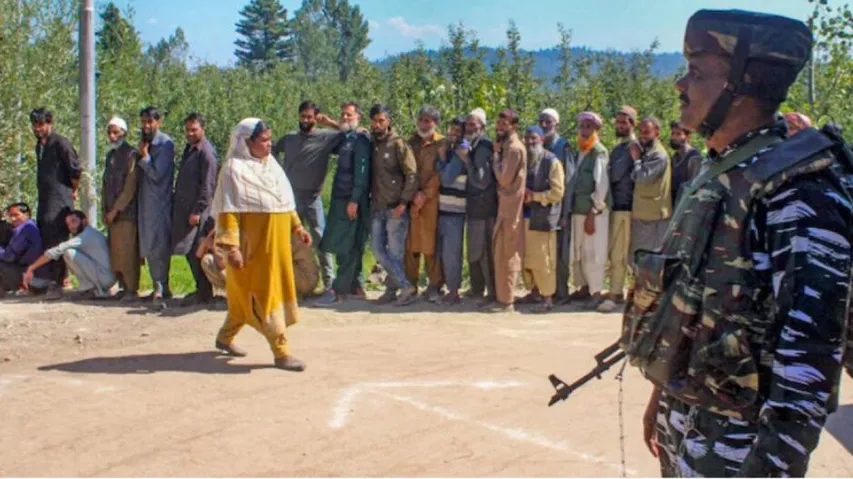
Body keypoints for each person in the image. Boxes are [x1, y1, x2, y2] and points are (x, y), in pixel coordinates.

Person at [624, 10, 853, 477]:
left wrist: (771, 467)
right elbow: (684, 300)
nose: (680, 87)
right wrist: (663, 397)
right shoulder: (724, 171)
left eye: (697, 73)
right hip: (686, 424)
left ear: (743, 86)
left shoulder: (800, 190)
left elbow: (807, 368)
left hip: (741, 447)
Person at [211, 118, 311, 372]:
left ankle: (225, 337)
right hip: (251, 251)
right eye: (263, 140)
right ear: (247, 142)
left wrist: (297, 227)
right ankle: (281, 352)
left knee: (243, 300)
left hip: (276, 249)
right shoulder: (234, 170)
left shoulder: (272, 167)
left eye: (270, 139)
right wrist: (231, 248)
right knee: (265, 298)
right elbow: (228, 211)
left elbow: (283, 201)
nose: (269, 145)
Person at [272, 100, 345, 293]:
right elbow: (271, 152)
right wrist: (277, 174)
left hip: (313, 198)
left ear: (316, 118)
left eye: (310, 117)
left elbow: (350, 133)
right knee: (288, 240)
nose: (305, 120)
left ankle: (329, 282)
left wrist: (329, 123)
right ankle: (289, 282)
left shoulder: (325, 137)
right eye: (303, 116)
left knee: (321, 237)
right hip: (290, 199)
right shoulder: (289, 138)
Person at [607, 115, 672, 314]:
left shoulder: (659, 155)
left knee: (649, 261)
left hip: (653, 217)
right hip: (643, 214)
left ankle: (651, 304)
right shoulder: (647, 151)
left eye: (647, 132)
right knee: (638, 259)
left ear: (657, 133)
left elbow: (642, 178)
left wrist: (635, 160)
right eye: (642, 131)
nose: (643, 136)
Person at [317, 102, 371, 306]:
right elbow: (342, 131)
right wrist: (330, 122)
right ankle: (355, 287)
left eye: (349, 115)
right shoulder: (347, 139)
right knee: (349, 244)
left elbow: (361, 173)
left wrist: (354, 200)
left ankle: (338, 291)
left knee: (346, 244)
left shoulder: (361, 140)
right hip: (343, 198)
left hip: (351, 199)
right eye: (342, 115)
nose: (344, 118)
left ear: (358, 117)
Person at [368, 104, 419, 306]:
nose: (378, 124)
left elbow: (412, 174)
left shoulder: (398, 144)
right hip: (378, 207)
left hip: (395, 208)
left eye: (381, 120)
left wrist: (404, 203)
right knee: (378, 250)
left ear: (388, 121)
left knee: (395, 254)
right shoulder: (372, 142)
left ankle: (396, 290)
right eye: (374, 121)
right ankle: (404, 286)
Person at [172, 112, 219, 306]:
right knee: (189, 251)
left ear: (203, 129)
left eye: (194, 129)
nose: (190, 133)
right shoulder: (190, 149)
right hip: (185, 209)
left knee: (197, 250)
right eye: (187, 129)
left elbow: (208, 186)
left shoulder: (206, 153)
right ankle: (201, 290)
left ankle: (205, 292)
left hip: (198, 213)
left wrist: (198, 211)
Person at [30, 107, 81, 288]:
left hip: (59, 198)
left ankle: (58, 281)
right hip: (45, 197)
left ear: (50, 123)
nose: (38, 129)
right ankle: (54, 278)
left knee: (56, 236)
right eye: (35, 125)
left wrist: (72, 191)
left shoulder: (60, 143)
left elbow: (75, 170)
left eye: (41, 124)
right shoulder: (40, 146)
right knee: (45, 231)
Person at [519, 126, 564, 313]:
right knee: (526, 259)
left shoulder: (552, 162)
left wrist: (535, 197)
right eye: (527, 138)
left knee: (543, 261)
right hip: (524, 218)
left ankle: (547, 300)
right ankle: (533, 292)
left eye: (534, 139)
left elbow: (558, 192)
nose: (530, 142)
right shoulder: (524, 160)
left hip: (543, 219)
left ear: (542, 140)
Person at [23, 210, 116, 300]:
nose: (71, 226)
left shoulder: (86, 235)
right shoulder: (91, 233)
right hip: (107, 277)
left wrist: (32, 268)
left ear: (85, 221)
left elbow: (55, 251)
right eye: (68, 224)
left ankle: (93, 290)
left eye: (74, 221)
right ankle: (96, 289)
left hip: (105, 278)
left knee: (68, 252)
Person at [569, 112, 610, 309]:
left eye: (588, 126)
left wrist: (594, 212)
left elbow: (601, 185)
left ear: (595, 129)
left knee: (594, 252)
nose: (584, 130)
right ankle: (584, 287)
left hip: (593, 212)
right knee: (579, 251)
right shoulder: (581, 151)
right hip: (578, 209)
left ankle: (596, 292)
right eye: (582, 126)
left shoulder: (598, 152)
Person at [406, 106, 446, 302]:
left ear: (435, 123)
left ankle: (434, 285)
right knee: (411, 245)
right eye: (421, 120)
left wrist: (425, 194)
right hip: (412, 200)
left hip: (432, 201)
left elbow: (440, 173)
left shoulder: (442, 144)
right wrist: (413, 195)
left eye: (428, 120)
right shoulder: (410, 142)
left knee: (431, 246)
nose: (423, 124)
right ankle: (410, 285)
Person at [488, 109, 526, 313]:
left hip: (511, 210)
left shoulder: (513, 149)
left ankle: (507, 301)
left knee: (508, 252)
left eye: (505, 124)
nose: (500, 127)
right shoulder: (508, 147)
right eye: (499, 123)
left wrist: (495, 156)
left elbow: (504, 178)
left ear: (514, 126)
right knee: (501, 252)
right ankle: (502, 298)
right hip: (505, 207)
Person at [137, 106, 175, 304]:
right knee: (149, 243)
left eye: (150, 122)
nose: (146, 126)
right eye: (143, 122)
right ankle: (157, 284)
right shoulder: (146, 142)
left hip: (159, 202)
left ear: (158, 122)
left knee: (159, 243)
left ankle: (161, 285)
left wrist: (144, 157)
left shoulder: (165, 144)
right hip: (146, 201)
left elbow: (157, 174)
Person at [460, 108, 497, 305]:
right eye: (467, 124)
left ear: (482, 127)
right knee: (474, 250)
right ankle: (476, 289)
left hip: (484, 208)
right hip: (475, 207)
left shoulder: (483, 146)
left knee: (484, 252)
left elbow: (481, 180)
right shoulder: (472, 143)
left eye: (473, 124)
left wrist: (466, 161)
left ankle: (490, 292)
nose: (469, 127)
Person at [539, 107, 576, 304]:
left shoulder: (563, 147)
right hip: (542, 208)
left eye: (548, 122)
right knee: (544, 252)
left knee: (560, 254)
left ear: (557, 125)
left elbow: (569, 183)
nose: (544, 125)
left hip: (560, 209)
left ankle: (562, 292)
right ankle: (545, 290)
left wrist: (565, 212)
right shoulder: (539, 144)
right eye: (541, 122)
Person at [101, 116, 141, 301]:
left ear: (124, 133)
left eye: (116, 132)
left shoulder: (131, 154)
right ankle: (123, 287)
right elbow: (105, 185)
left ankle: (132, 289)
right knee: (116, 252)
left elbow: (130, 186)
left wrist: (116, 209)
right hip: (111, 213)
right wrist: (105, 210)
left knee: (128, 252)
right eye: (110, 132)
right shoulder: (110, 155)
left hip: (125, 213)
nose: (112, 136)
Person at [602, 106, 637, 310]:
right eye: (618, 122)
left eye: (624, 122)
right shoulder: (619, 148)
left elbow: (615, 175)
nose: (620, 126)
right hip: (617, 206)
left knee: (620, 253)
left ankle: (616, 293)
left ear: (632, 124)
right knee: (615, 251)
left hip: (626, 207)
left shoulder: (633, 147)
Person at [434, 116, 468, 305]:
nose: (453, 134)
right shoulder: (453, 149)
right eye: (451, 130)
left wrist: (441, 158)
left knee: (451, 253)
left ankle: (454, 291)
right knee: (443, 251)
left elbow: (446, 179)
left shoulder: (459, 152)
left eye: (457, 131)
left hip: (454, 210)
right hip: (445, 208)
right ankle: (446, 287)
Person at [0, 203, 42, 297]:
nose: (13, 219)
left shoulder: (25, 229)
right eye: (10, 216)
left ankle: (22, 288)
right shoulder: (31, 225)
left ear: (26, 214)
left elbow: (9, 256)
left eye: (16, 215)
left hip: (30, 275)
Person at [668, 120, 702, 206]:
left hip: (686, 206)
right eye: (673, 134)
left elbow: (694, 186)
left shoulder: (694, 157)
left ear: (688, 137)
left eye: (679, 134)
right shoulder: (675, 157)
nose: (674, 137)